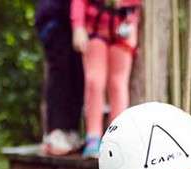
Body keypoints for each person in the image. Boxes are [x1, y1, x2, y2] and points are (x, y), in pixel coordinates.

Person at [71, 0, 142, 157]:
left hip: (123, 26)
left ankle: (117, 139)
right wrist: (78, 26)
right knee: (94, 81)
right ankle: (93, 138)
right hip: (95, 27)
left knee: (118, 84)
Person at [35, 0, 85, 155]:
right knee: (59, 76)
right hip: (55, 20)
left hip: (74, 22)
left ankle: (70, 131)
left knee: (77, 76)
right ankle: (55, 132)